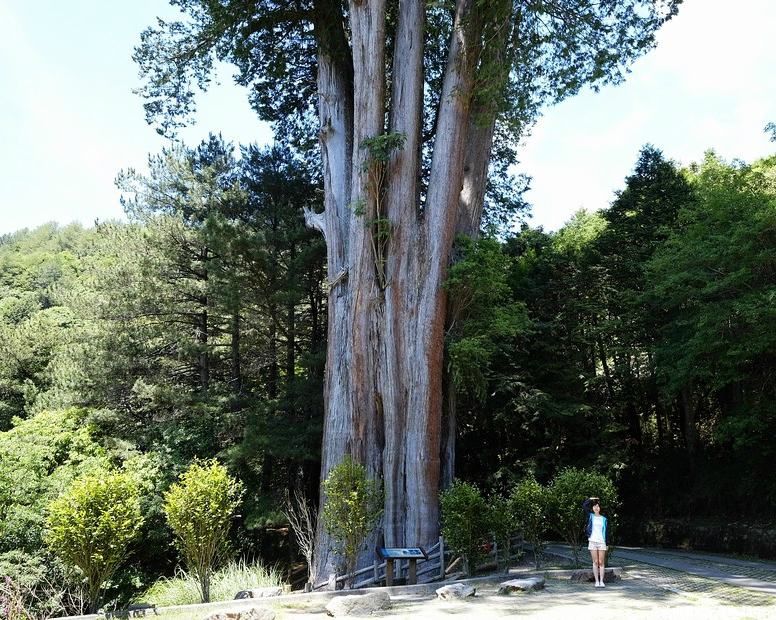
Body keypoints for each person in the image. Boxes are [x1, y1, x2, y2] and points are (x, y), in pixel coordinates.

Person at [583, 496, 609, 588]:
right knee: (595, 561)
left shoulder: (604, 519)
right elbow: (584, 506)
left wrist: (607, 543)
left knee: (601, 562)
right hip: (592, 541)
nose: (596, 508)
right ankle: (596, 581)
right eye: (594, 506)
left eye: (597, 506)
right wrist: (591, 499)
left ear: (600, 508)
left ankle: (602, 581)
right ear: (593, 508)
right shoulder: (590, 516)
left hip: (601, 542)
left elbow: (606, 532)